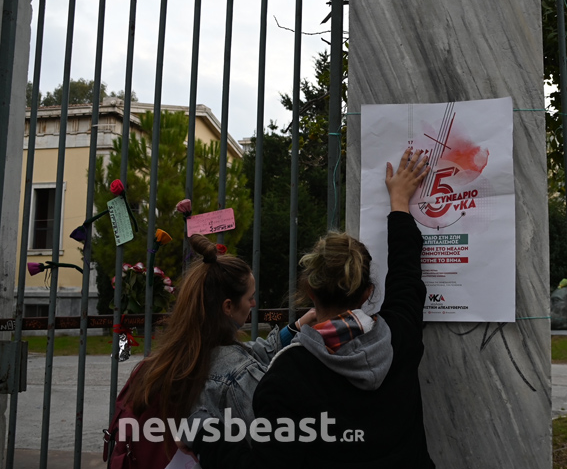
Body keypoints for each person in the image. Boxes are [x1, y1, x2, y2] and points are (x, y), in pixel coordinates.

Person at [188, 147, 435, 468]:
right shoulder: (399, 334)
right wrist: (399, 203)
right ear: (367, 293)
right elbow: (406, 276)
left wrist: (205, 435)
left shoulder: (287, 377)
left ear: (309, 290)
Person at [109, 234, 315, 466]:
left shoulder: (171, 357)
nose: (254, 304)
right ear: (228, 306)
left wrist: (296, 327)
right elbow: (273, 449)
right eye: (250, 297)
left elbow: (250, 353)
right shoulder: (236, 374)